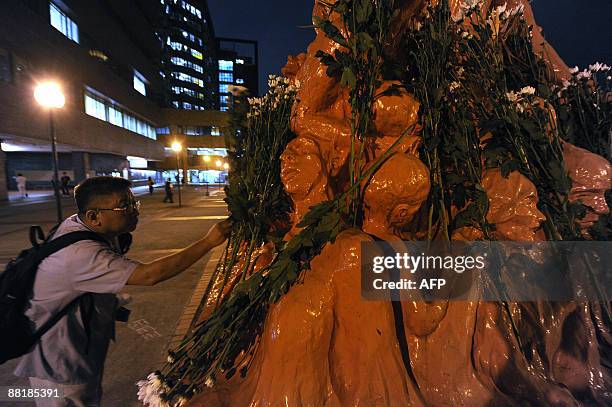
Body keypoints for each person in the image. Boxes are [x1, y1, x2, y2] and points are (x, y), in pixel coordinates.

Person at [13, 176, 232, 407]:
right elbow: (150, 275)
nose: (134, 211)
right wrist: (208, 242)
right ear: (94, 216)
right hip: (59, 366)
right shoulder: (81, 254)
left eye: (133, 203)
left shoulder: (79, 226)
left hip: (77, 351)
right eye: (124, 206)